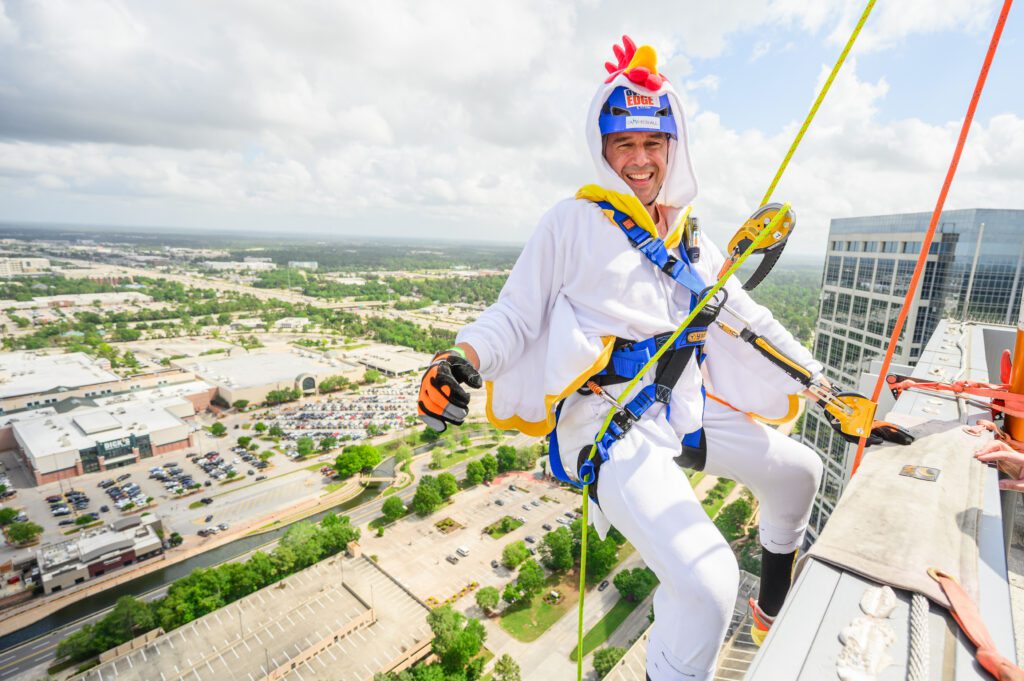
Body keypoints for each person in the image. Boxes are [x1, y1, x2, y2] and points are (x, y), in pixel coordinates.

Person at [418, 37, 824, 681]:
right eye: (623, 145)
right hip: (606, 423)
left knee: (800, 470)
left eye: (651, 144)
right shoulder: (572, 223)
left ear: (673, 148)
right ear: (603, 150)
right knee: (706, 581)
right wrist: (459, 357)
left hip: (681, 407)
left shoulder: (692, 238)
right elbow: (514, 314)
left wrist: (829, 394)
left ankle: (772, 609)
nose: (639, 159)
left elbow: (753, 322)